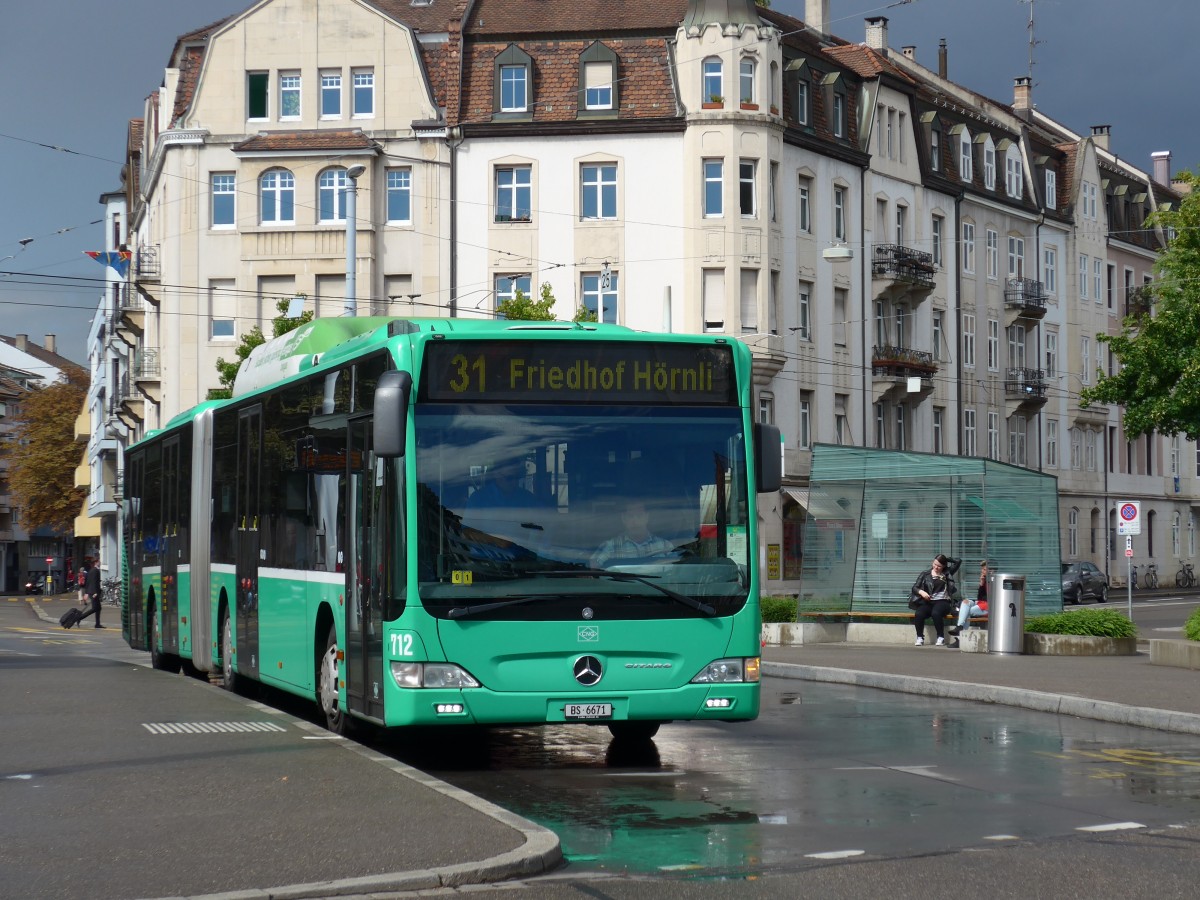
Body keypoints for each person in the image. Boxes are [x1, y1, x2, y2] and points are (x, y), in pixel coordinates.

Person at [590, 500, 676, 568]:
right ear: (623, 518)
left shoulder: (665, 547)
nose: (635, 521)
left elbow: (676, 575)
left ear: (647, 517)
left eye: (639, 516)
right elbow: (592, 571)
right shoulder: (610, 547)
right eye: (630, 516)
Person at [910, 553, 960, 646]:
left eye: (939, 565)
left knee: (936, 613)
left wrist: (945, 559)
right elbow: (915, 587)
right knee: (919, 613)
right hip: (928, 602)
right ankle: (920, 637)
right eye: (935, 564)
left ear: (944, 566)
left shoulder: (947, 573)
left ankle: (940, 637)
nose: (936, 567)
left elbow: (958, 561)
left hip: (943, 601)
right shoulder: (925, 574)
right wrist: (922, 592)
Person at [948, 560, 990, 645]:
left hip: (989, 606)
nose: (982, 571)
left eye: (984, 569)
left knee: (966, 611)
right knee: (965, 602)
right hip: (981, 603)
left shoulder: (994, 580)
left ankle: (960, 639)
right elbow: (980, 597)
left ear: (991, 570)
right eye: (982, 569)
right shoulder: (984, 580)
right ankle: (959, 627)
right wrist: (981, 584)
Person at [76, 556, 105, 629]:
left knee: (98, 608)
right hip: (94, 592)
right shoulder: (95, 571)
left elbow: (88, 582)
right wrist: (95, 593)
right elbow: (95, 582)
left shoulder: (91, 571)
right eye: (99, 561)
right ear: (96, 562)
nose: (100, 563)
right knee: (95, 608)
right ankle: (80, 618)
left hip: (91, 592)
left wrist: (86, 592)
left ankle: (97, 624)